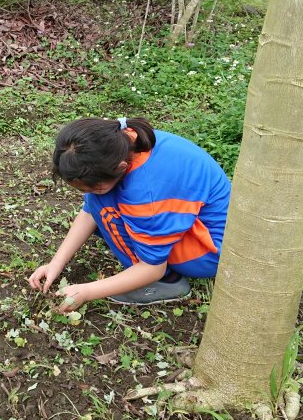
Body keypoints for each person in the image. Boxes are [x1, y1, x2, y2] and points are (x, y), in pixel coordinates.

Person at [28, 117, 231, 312]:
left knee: (105, 205)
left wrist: (87, 291)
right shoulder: (123, 142)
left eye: (89, 188)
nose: (85, 194)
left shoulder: (146, 193)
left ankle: (167, 283)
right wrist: (55, 263)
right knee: (101, 199)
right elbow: (89, 212)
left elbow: (152, 267)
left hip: (208, 252)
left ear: (120, 168)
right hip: (200, 226)